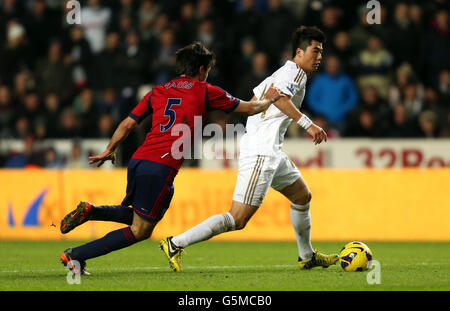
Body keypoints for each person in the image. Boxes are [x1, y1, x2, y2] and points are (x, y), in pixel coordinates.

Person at [58, 41, 282, 274]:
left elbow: (127, 124)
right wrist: (271, 99)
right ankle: (76, 255)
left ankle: (91, 212)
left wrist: (110, 149)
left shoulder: (158, 90)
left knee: (141, 215)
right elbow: (250, 108)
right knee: (141, 230)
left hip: (138, 160)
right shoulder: (205, 90)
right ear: (203, 69)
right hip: (160, 166)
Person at [161, 26, 339, 272]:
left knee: (302, 196)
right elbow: (281, 99)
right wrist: (309, 125)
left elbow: (256, 100)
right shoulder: (295, 73)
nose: (320, 57)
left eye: (321, 52)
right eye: (316, 51)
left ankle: (306, 256)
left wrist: (264, 122)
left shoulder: (284, 73)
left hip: (270, 150)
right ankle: (175, 242)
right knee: (238, 218)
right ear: (299, 52)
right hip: (261, 152)